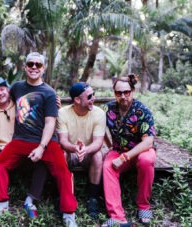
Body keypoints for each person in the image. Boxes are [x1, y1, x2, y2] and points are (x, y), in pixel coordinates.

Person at [0, 52, 78, 227]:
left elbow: (50, 123)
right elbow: (0, 94)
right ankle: (2, 204)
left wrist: (42, 147)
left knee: (63, 173)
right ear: (25, 67)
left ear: (43, 69)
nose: (34, 67)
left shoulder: (49, 93)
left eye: (38, 65)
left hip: (46, 141)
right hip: (21, 139)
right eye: (30, 64)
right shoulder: (17, 87)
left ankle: (68, 213)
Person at [0, 76, 48, 218]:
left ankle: (31, 200)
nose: (0, 93)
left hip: (20, 149)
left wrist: (55, 105)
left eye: (2, 89)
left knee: (44, 157)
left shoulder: (21, 106)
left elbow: (43, 114)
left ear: (8, 90)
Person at [101, 74, 156, 227]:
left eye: (126, 92)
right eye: (119, 93)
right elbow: (97, 124)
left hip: (141, 150)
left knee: (147, 160)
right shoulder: (108, 108)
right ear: (114, 94)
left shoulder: (142, 110)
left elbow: (148, 142)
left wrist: (125, 158)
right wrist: (108, 144)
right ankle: (117, 216)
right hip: (118, 150)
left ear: (132, 91)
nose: (123, 96)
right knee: (107, 166)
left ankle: (143, 206)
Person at [57, 82, 106, 219]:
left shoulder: (99, 114)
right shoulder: (63, 113)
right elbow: (63, 141)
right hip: (71, 152)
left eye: (93, 95)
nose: (93, 99)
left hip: (88, 152)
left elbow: (98, 142)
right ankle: (63, 195)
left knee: (98, 155)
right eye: (89, 96)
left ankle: (93, 197)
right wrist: (74, 148)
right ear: (77, 100)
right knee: (62, 153)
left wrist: (85, 149)